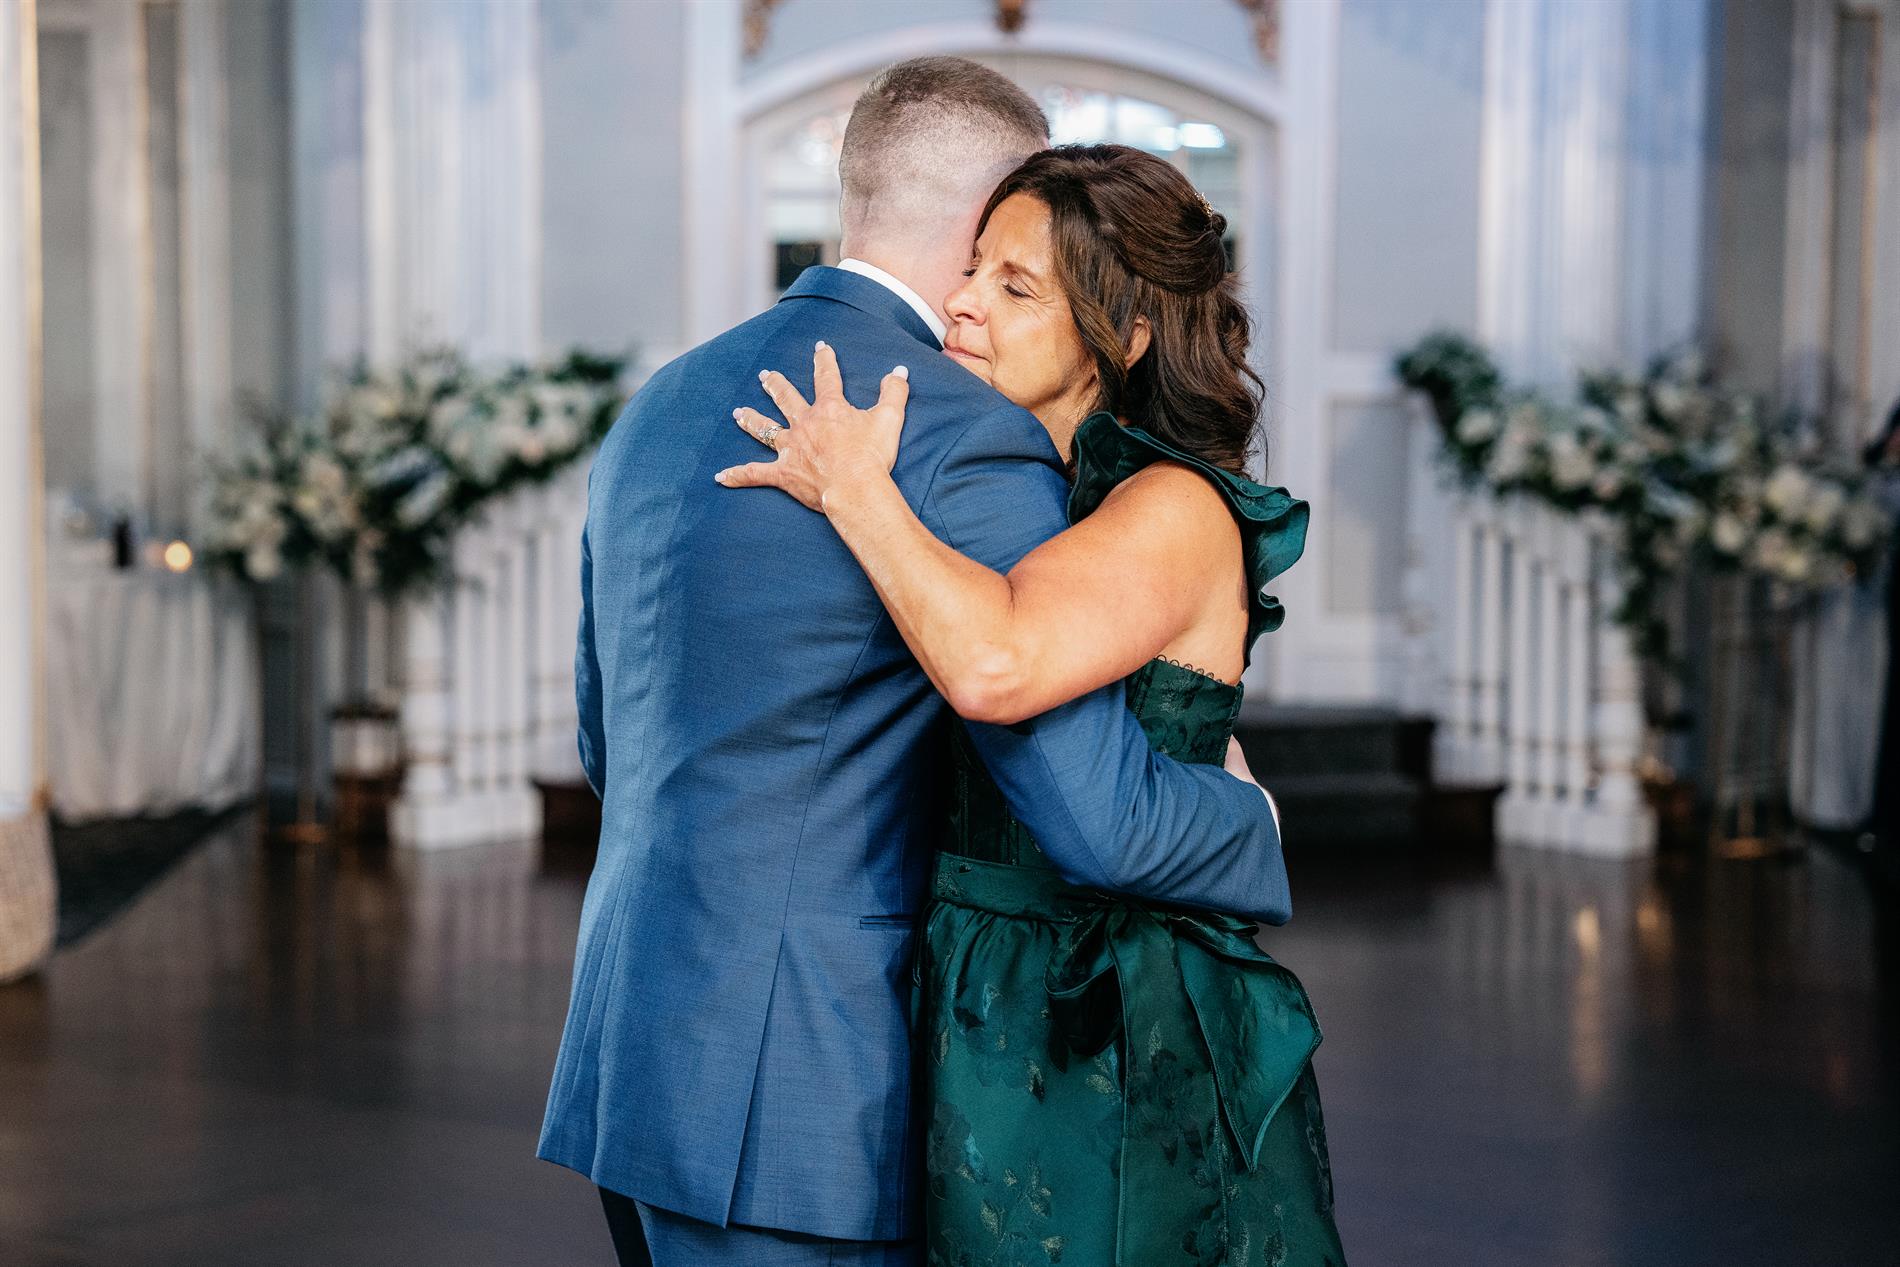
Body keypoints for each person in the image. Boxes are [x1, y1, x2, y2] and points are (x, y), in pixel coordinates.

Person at [537, 59, 1294, 1267]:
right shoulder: (959, 431)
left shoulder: (663, 402)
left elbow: (605, 740)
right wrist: (1250, 822)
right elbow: (1086, 811)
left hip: (629, 1054)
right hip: (802, 1087)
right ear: (991, 208)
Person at [720, 144, 1347, 1264]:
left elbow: (996, 667)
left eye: (1015, 287)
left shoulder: (1173, 503)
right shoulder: (1035, 494)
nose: (962, 302)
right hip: (980, 983)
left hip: (1106, 1016)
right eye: (972, 269)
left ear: (1127, 336)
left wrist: (857, 492)